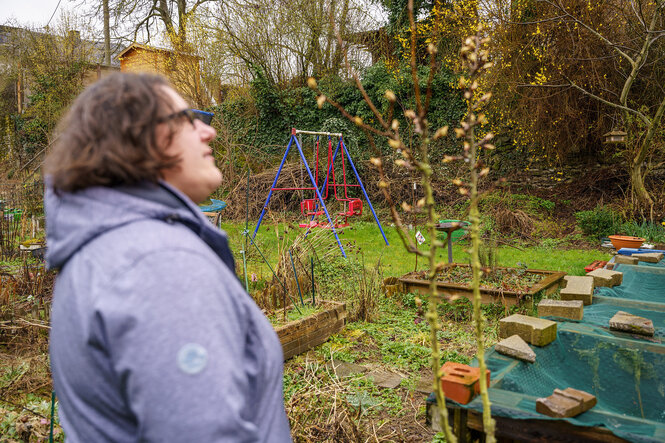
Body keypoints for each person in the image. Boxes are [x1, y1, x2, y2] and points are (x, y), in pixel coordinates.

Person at [44, 73, 292, 442]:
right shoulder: (158, 266)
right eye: (187, 120)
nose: (208, 133)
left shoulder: (102, 252)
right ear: (138, 139)